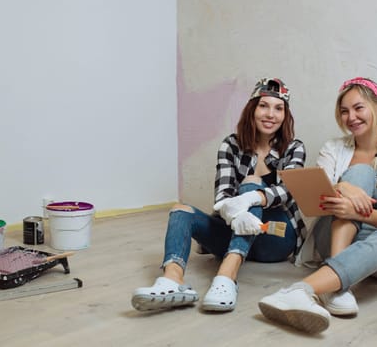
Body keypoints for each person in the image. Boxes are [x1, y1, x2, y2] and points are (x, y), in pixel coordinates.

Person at [258, 77, 377, 334]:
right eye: (344, 111)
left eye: (358, 108)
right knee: (360, 173)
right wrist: (344, 188)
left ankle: (305, 289)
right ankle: (332, 286)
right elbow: (318, 195)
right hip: (335, 238)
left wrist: (356, 211)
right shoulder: (334, 148)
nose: (351, 117)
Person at [131, 78, 307, 312]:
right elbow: (222, 198)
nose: (270, 114)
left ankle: (226, 276)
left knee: (250, 183)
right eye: (264, 105)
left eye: (278, 108)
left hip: (275, 237)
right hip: (237, 230)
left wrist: (251, 197)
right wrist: (235, 216)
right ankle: (173, 280)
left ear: (285, 115)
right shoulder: (231, 145)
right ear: (252, 108)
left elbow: (287, 191)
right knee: (179, 210)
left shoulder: (294, 147)